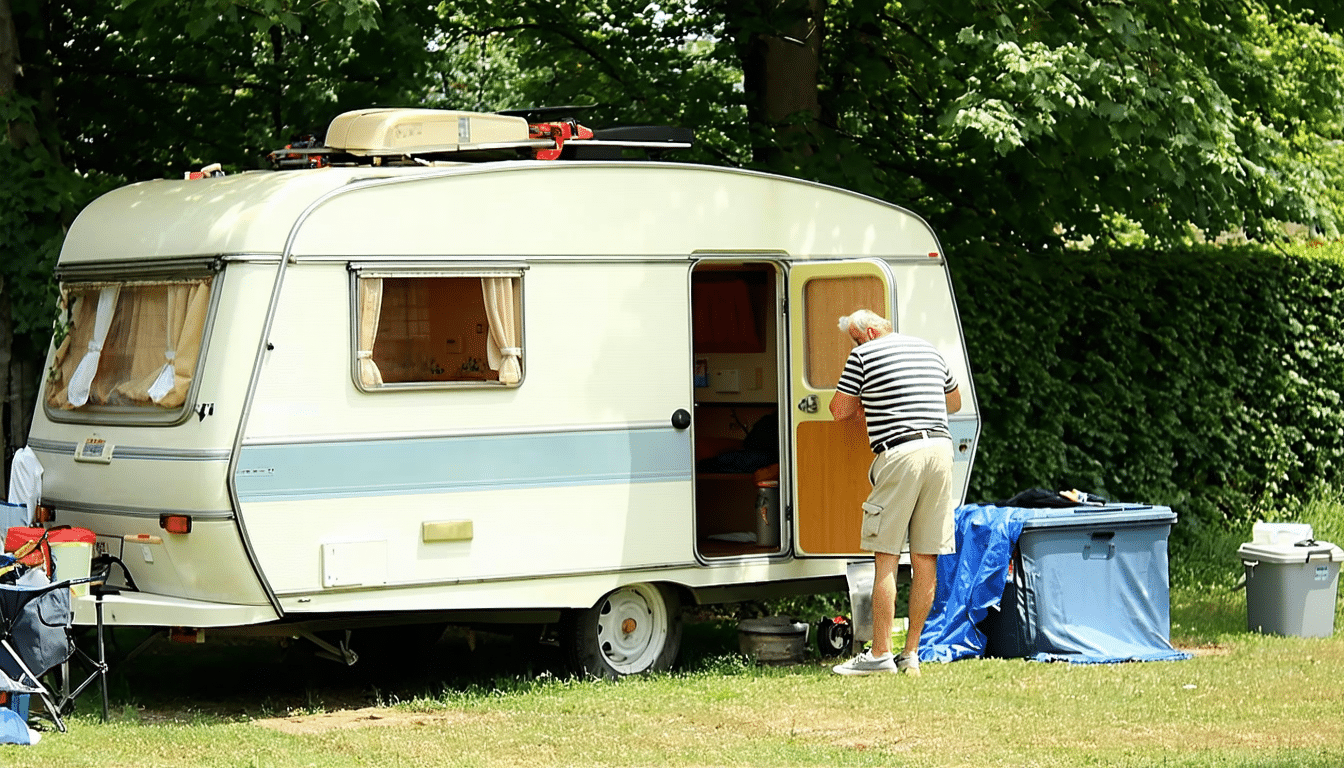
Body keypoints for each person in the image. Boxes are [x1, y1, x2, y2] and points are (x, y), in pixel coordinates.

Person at [829, 309, 961, 676]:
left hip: (900, 453)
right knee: (925, 560)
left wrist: (866, 407)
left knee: (885, 556)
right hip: (941, 450)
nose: (854, 347)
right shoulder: (928, 349)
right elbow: (954, 403)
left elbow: (838, 410)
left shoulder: (864, 355)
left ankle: (879, 655)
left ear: (870, 332)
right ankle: (911, 655)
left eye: (856, 339)